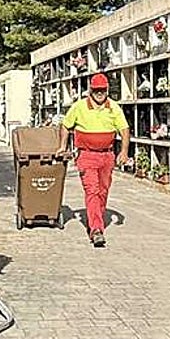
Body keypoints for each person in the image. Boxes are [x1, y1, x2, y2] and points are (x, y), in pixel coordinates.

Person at [57, 73, 129, 247]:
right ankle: (96, 229)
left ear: (107, 90)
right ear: (90, 90)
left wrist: (124, 152)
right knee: (92, 191)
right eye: (96, 90)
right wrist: (62, 146)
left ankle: (96, 218)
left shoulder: (113, 108)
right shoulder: (79, 107)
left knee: (103, 191)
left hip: (107, 156)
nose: (99, 94)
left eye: (102, 90)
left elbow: (124, 130)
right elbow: (66, 126)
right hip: (87, 155)